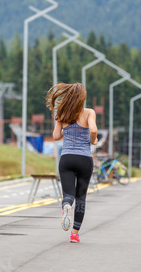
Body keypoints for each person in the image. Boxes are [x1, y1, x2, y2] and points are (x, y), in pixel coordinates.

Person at [47, 82, 98, 243]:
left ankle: (66, 205)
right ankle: (75, 234)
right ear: (82, 98)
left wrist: (66, 129)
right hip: (84, 159)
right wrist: (93, 140)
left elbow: (56, 136)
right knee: (81, 197)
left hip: (67, 158)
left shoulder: (62, 113)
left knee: (68, 195)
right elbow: (94, 130)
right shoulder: (89, 112)